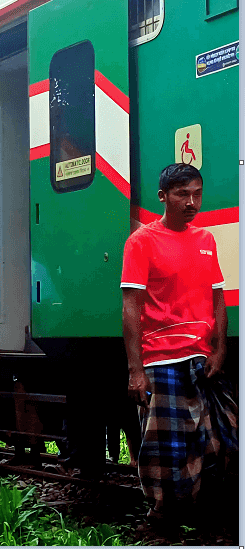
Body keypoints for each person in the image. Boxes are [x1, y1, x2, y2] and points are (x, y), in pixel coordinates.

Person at [121, 163, 231, 524]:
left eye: (197, 193)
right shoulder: (141, 242)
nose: (191, 202)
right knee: (165, 447)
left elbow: (218, 299)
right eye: (182, 194)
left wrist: (219, 348)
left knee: (215, 437)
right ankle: (163, 512)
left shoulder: (206, 241)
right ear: (163, 197)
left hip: (200, 358)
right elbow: (131, 308)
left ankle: (198, 505)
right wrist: (135, 370)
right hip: (159, 360)